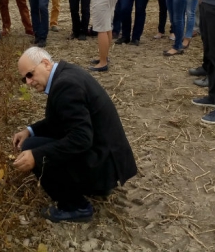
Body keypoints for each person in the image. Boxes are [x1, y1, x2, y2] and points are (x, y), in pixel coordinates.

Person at [13, 47, 138, 223]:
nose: (28, 82)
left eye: (30, 74)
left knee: (32, 148)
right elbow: (60, 121)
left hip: (103, 166)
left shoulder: (65, 86)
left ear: (46, 64)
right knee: (35, 142)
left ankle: (75, 207)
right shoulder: (65, 75)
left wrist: (36, 156)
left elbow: (81, 139)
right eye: (24, 78)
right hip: (107, 157)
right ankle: (87, 187)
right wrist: (29, 130)